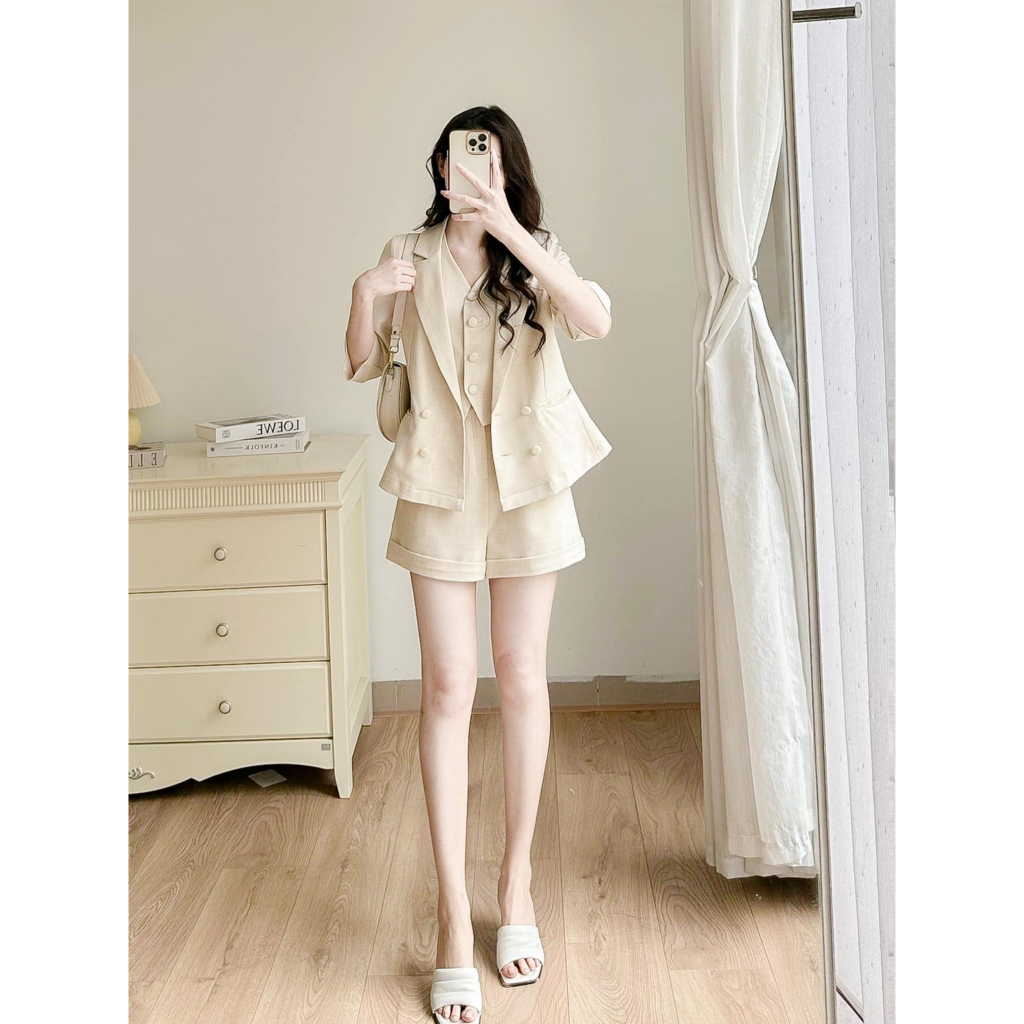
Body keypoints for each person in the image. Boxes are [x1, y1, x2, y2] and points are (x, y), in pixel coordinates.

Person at [343, 105, 612, 1023]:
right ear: (440, 166)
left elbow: (595, 320)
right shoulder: (406, 253)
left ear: (506, 170)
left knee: (523, 676)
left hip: (528, 486)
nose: (469, 168)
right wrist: (364, 293)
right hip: (440, 487)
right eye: (460, 155)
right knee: (448, 689)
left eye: (487, 157)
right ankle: (455, 917)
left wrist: (513, 233)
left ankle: (517, 884)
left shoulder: (535, 252)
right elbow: (359, 364)